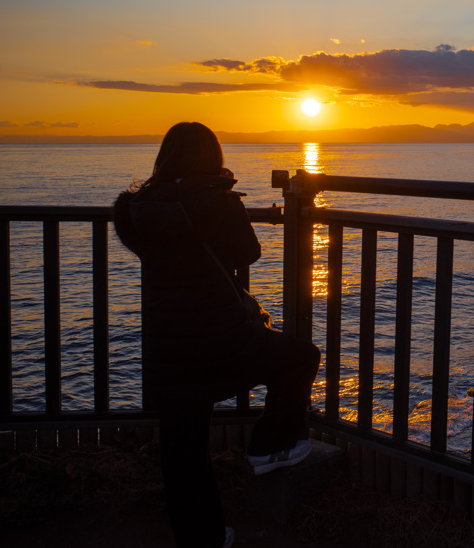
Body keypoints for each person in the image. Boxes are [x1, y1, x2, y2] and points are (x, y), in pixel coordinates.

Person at [113, 121, 321, 548]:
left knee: (182, 449)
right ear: (213, 158)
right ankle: (268, 446)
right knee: (301, 357)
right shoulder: (216, 202)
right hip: (221, 339)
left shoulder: (139, 208)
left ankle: (201, 538)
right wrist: (224, 194)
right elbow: (250, 252)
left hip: (167, 349)